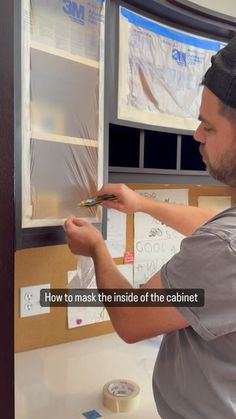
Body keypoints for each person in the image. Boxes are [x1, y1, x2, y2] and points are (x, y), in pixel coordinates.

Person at [65, 37, 236, 418]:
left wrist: (96, 247)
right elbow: (215, 227)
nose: (197, 135)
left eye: (208, 127)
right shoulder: (227, 236)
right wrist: (141, 204)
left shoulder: (225, 250)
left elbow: (131, 318)